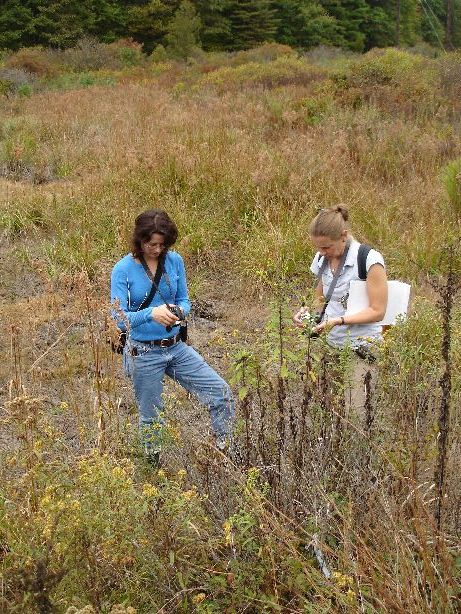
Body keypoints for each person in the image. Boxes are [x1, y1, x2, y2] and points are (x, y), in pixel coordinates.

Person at [111, 209, 235, 466]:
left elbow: (184, 299)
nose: (157, 250)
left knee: (221, 392)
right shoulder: (123, 269)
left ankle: (224, 452)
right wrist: (152, 313)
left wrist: (179, 311)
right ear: (139, 240)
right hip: (143, 352)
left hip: (176, 348)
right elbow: (119, 319)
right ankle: (153, 466)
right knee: (151, 416)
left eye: (162, 244)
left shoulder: (175, 260)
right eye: (151, 244)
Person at [293, 206, 388, 409]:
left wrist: (339, 321)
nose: (322, 252)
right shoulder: (321, 258)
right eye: (318, 247)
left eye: (327, 247)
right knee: (328, 408)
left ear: (343, 236)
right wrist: (305, 312)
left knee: (356, 411)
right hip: (331, 344)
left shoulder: (369, 260)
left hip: (362, 347)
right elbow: (319, 299)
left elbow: (378, 311)